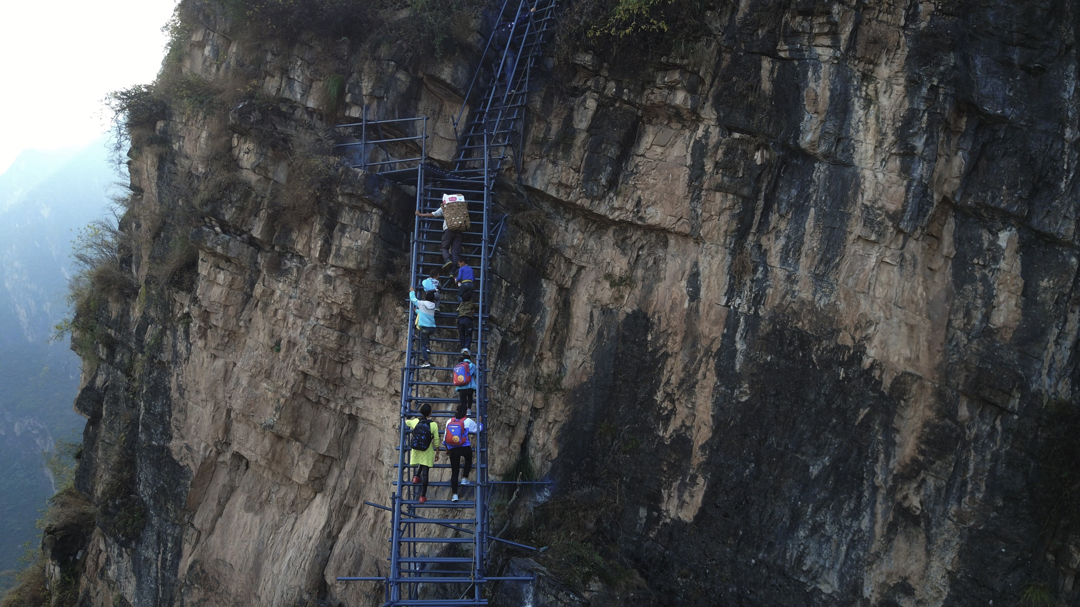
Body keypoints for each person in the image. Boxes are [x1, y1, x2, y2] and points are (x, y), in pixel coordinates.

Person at [443, 403, 482, 502]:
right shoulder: (467, 421)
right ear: (465, 412)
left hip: (453, 448)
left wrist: (447, 449)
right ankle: (465, 477)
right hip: (464, 446)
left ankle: (454, 495)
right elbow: (477, 429)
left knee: (454, 472)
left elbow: (445, 437)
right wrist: (480, 422)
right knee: (469, 458)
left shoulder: (449, 421)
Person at [405, 404, 441, 504]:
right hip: (427, 450)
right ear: (430, 413)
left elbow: (407, 422)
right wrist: (437, 452)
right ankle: (423, 496)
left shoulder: (416, 421)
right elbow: (436, 440)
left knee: (421, 462)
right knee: (425, 473)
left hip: (416, 450)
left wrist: (406, 417)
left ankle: (416, 477)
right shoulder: (433, 425)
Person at [491, 6, 536, 85]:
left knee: (506, 67)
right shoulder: (509, 25)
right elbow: (520, 21)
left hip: (500, 52)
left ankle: (505, 79)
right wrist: (530, 12)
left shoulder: (497, 29)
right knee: (510, 70)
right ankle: (509, 89)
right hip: (508, 50)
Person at [416, 201, 462, 272]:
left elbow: (434, 214)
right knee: (455, 252)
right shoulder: (460, 206)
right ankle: (453, 272)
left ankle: (447, 259)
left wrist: (420, 214)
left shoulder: (445, 206)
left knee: (444, 247)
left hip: (449, 229)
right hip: (459, 230)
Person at [408, 288, 437, 368]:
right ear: (434, 299)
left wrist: (412, 291)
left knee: (422, 345)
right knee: (427, 337)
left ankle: (426, 361)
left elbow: (413, 299)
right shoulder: (434, 306)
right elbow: (424, 312)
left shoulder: (422, 303)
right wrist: (417, 311)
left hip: (425, 327)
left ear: (425, 298)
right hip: (432, 328)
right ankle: (428, 348)